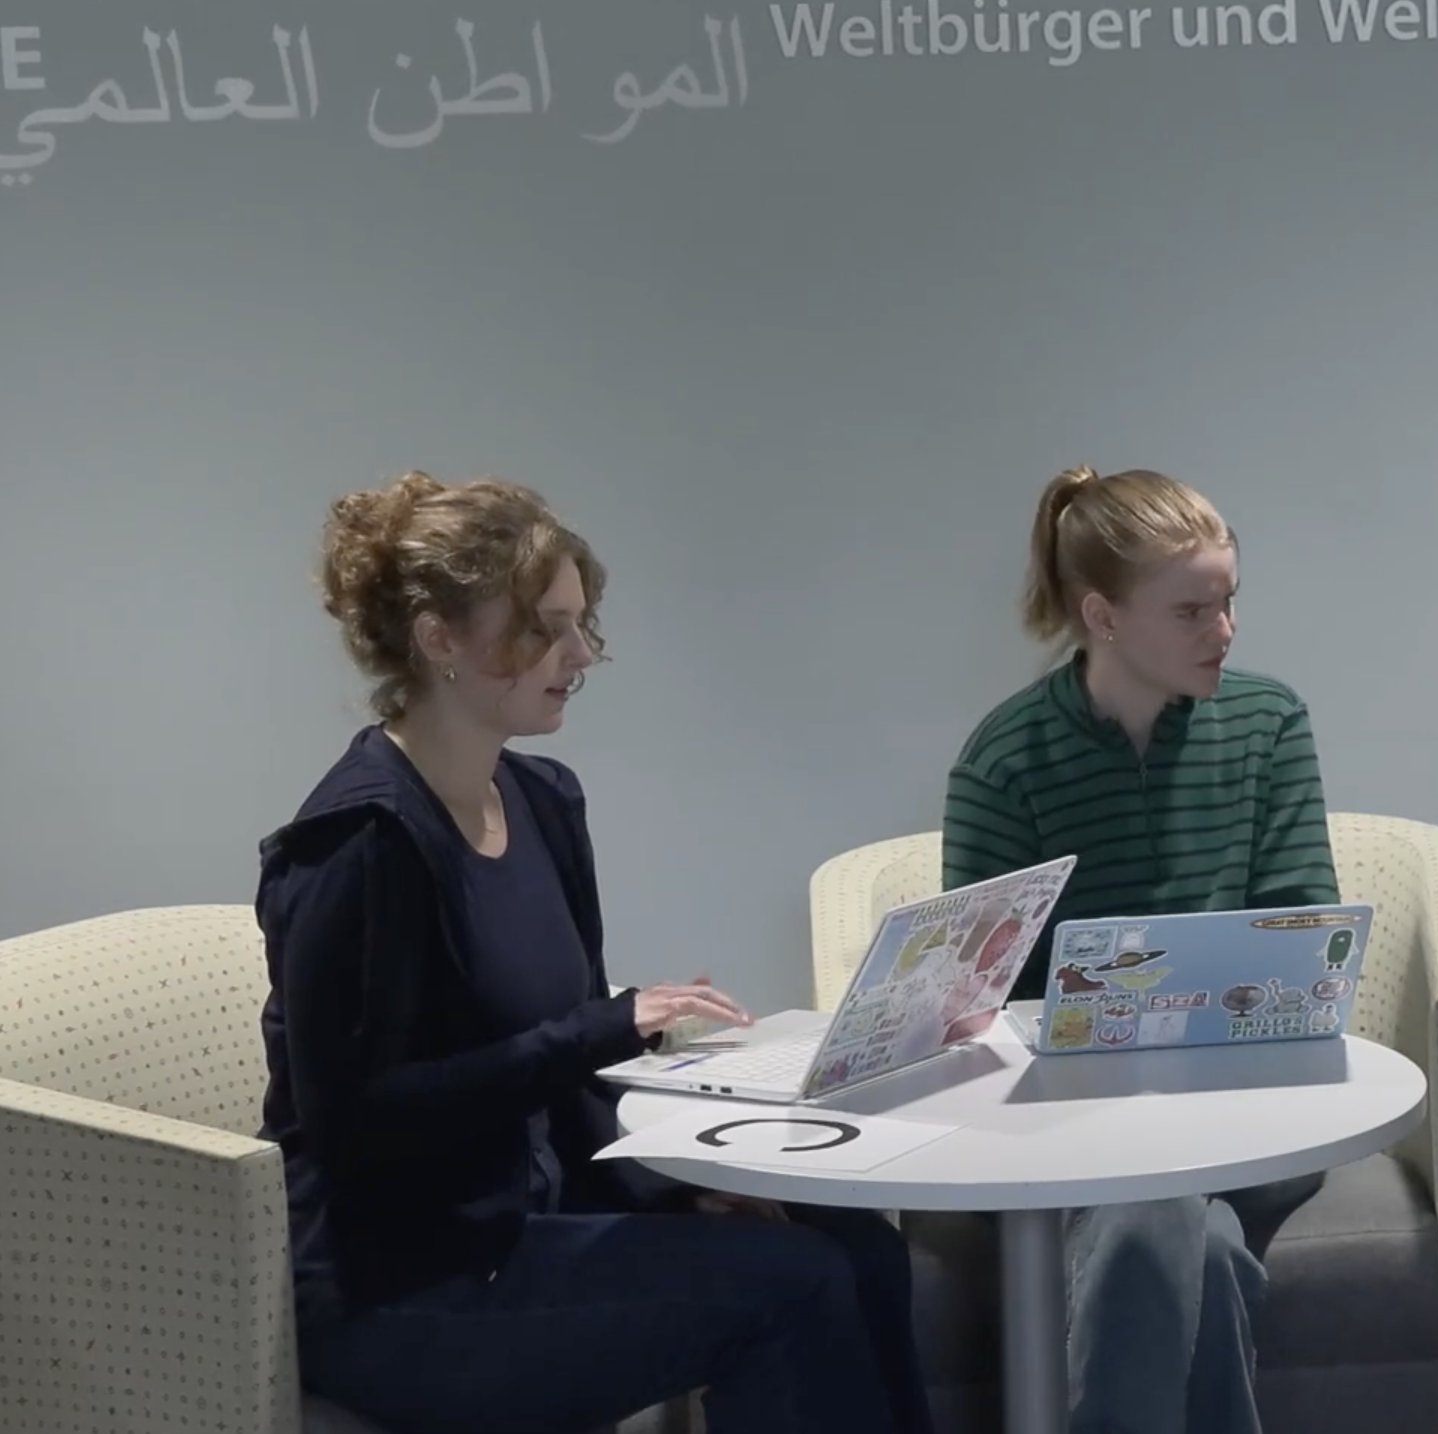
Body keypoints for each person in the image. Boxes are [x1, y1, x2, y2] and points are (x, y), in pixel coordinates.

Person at [258, 472, 936, 1434]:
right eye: (544, 627)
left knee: (861, 1249)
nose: (578, 654)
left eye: (584, 624)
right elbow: (360, 1123)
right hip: (401, 1289)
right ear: (438, 637)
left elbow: (566, 1083)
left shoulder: (542, 803)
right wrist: (601, 1026)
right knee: (792, 1288)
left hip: (528, 1225)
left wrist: (672, 1192)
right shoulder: (360, 846)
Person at [938, 466, 1338, 1434]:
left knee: (1156, 1204)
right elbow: (976, 1000)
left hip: (1249, 1117)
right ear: (1102, 616)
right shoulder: (1007, 760)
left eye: (1229, 601)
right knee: (1188, 1243)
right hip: (1072, 1130)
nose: (1224, 629)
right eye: (1193, 608)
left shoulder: (1268, 723)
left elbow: (1301, 933)